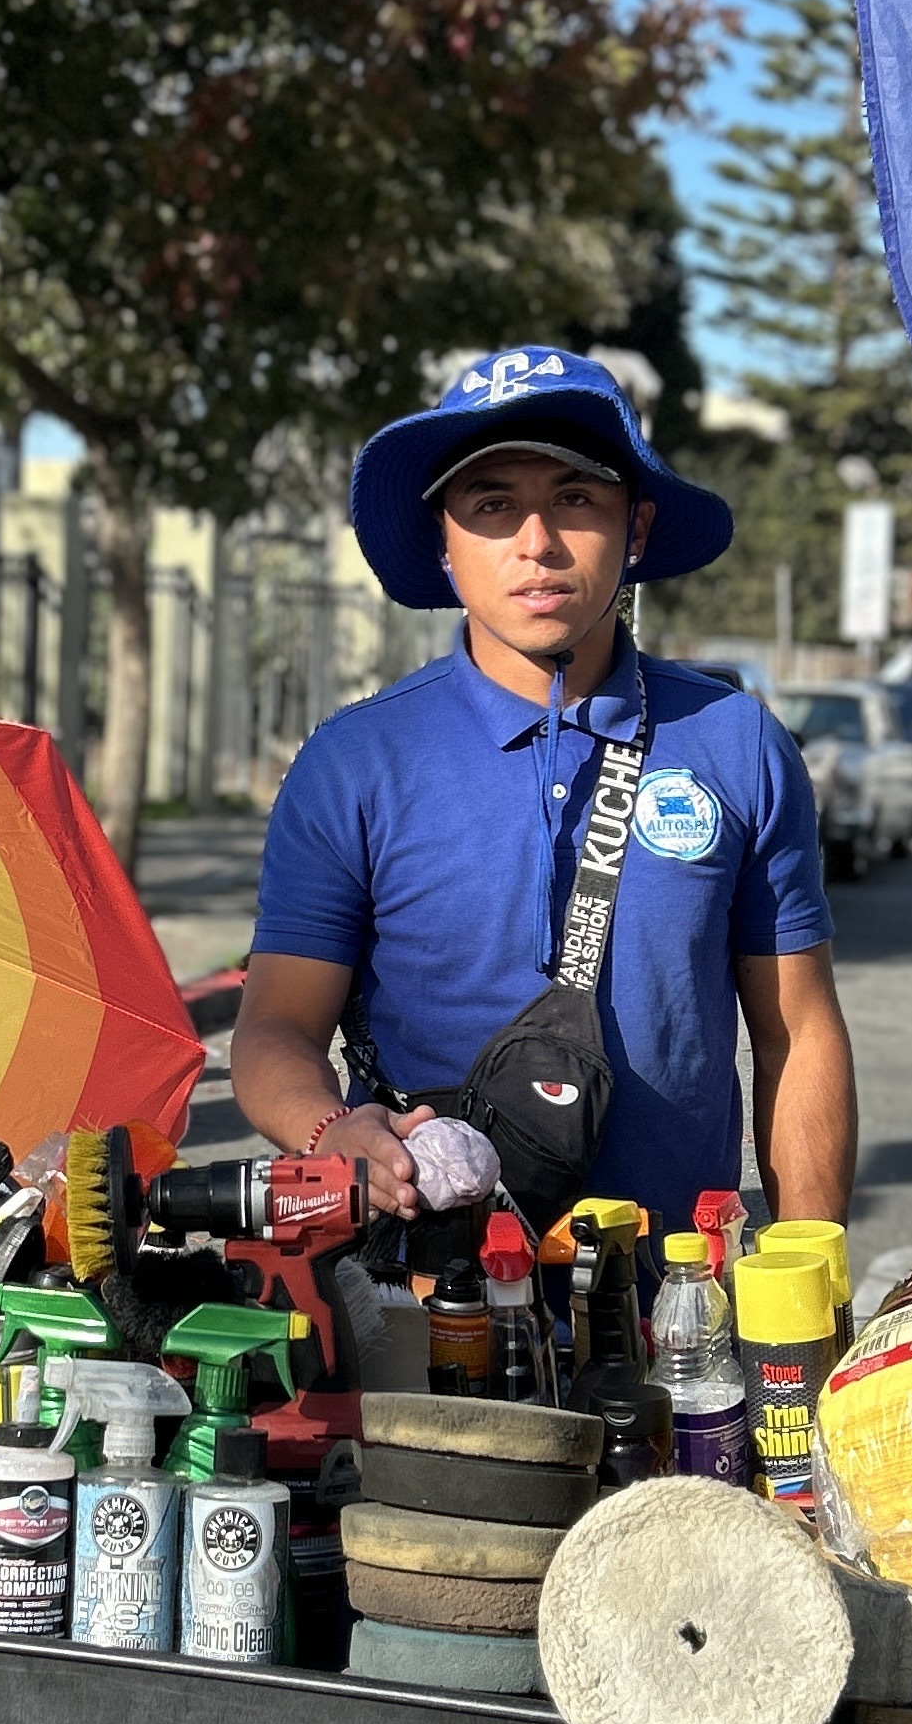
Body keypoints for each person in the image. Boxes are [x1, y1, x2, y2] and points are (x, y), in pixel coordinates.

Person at [231, 346, 855, 1229]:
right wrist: (328, 1129)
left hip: (675, 1310)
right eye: (492, 505)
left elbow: (798, 1033)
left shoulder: (735, 742)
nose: (538, 542)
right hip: (422, 1308)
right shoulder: (355, 760)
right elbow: (272, 1034)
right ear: (442, 545)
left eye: (575, 498)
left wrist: (809, 1274)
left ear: (635, 531)